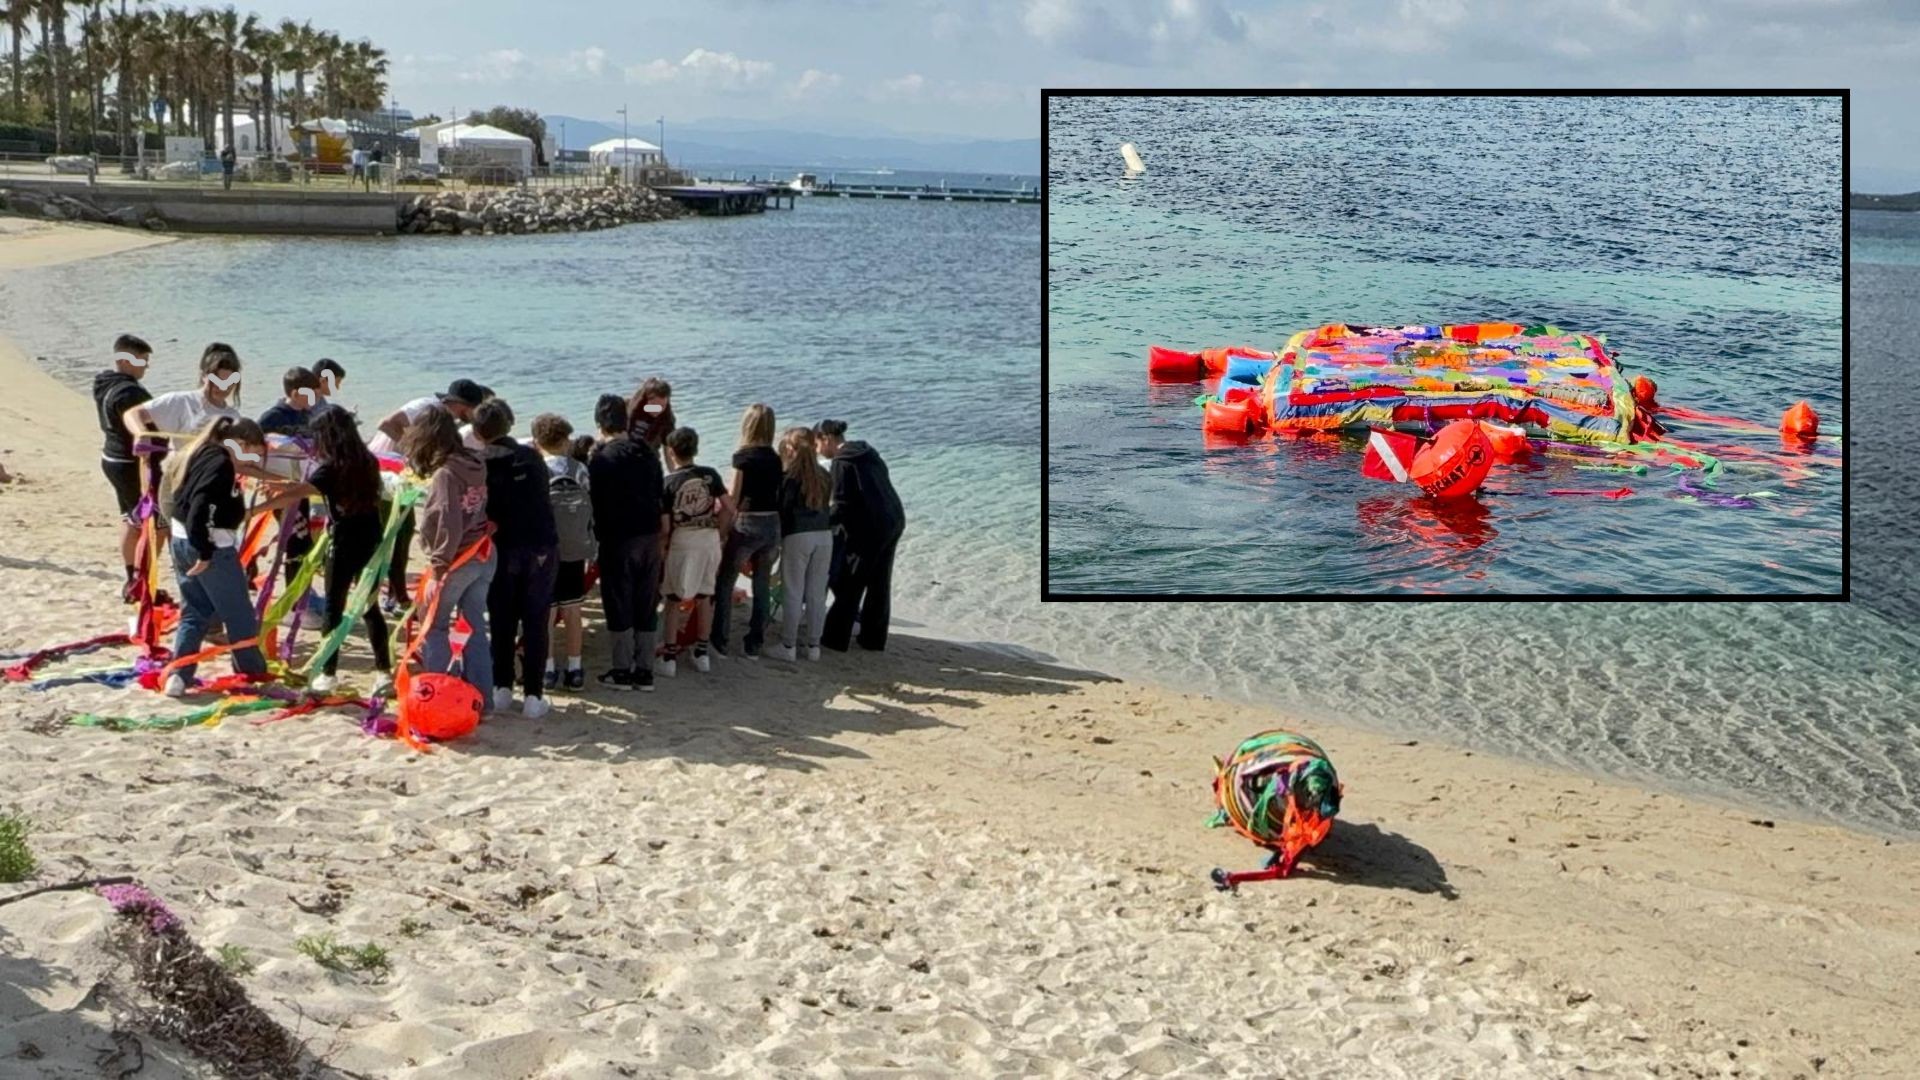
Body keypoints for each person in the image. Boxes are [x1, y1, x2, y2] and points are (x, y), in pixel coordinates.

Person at [252, 407, 393, 696]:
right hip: (371, 539)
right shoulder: (366, 461)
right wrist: (281, 485)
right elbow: (312, 487)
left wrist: (256, 509)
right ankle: (384, 672)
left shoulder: (331, 466)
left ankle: (328, 674)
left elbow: (301, 492)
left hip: (343, 542)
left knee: (334, 606)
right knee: (370, 607)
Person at [161, 416, 270, 696]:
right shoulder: (220, 463)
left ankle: (179, 674)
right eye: (250, 454)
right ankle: (251, 670)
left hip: (181, 539)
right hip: (210, 548)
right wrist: (205, 551)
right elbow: (199, 506)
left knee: (194, 611)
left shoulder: (201, 450)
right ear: (239, 443)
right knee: (239, 613)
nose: (250, 462)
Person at [402, 406, 495, 699]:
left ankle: (439, 695)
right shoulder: (475, 461)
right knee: (475, 626)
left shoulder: (445, 474)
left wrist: (439, 569)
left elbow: (449, 520)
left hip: (458, 559)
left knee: (434, 626)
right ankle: (482, 697)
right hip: (483, 554)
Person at [369, 379, 487, 611]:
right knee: (395, 533)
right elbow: (386, 423)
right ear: (463, 405)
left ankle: (396, 593)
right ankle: (392, 596)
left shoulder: (447, 419)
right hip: (384, 474)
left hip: (401, 480)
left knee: (402, 531)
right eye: (474, 410)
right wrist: (412, 452)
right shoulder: (426, 406)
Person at [475, 400, 558, 718]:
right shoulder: (533, 457)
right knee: (536, 621)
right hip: (539, 545)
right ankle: (535, 694)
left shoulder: (482, 462)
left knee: (501, 617)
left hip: (502, 546)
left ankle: (503, 686)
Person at [588, 401, 665, 690]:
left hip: (617, 537)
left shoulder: (602, 459)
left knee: (618, 600)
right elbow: (659, 492)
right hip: (650, 535)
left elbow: (595, 500)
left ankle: (621, 669)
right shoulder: (647, 453)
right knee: (646, 601)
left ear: (600, 425)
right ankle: (645, 670)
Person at [818, 419, 905, 652]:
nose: (818, 450)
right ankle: (873, 638)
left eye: (818, 443)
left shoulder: (841, 463)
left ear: (826, 438)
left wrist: (819, 522)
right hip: (893, 518)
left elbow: (842, 504)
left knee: (851, 581)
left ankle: (835, 638)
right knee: (879, 580)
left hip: (871, 527)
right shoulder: (868, 453)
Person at [256, 366, 327, 626]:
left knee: (308, 541)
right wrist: (265, 479)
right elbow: (252, 450)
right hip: (283, 490)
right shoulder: (273, 417)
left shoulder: (308, 414)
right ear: (296, 392)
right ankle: (294, 606)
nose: (315, 399)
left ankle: (302, 593)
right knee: (297, 541)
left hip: (305, 487)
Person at [711, 403, 782, 659]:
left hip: (748, 522)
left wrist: (723, 528)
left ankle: (719, 640)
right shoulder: (776, 459)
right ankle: (755, 642)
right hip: (772, 523)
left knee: (726, 581)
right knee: (762, 584)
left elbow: (735, 496)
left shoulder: (743, 457)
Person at [658, 427, 730, 675]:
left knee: (673, 598)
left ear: (671, 452)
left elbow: (666, 525)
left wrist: (664, 546)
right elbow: (730, 508)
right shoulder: (710, 475)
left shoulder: (668, 483)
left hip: (683, 539)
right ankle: (701, 652)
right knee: (704, 596)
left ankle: (668, 656)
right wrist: (719, 533)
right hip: (708, 537)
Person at [533, 413, 592, 691]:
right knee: (572, 609)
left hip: (546, 547)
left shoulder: (538, 469)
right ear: (565, 439)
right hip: (575, 546)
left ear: (538, 442)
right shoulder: (580, 468)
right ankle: (575, 667)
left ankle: (547, 669)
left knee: (547, 611)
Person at [93, 333, 155, 598]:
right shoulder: (131, 392)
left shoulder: (103, 382)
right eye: (142, 360)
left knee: (130, 518)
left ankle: (134, 579)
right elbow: (150, 428)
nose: (145, 366)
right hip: (129, 462)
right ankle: (137, 581)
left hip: (111, 457)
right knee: (144, 522)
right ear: (125, 360)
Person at [766, 427, 832, 662]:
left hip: (797, 535)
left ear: (791, 450)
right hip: (824, 536)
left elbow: (783, 511)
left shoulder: (790, 479)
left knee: (793, 591)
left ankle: (788, 644)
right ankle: (814, 645)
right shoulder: (824, 475)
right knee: (816, 593)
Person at [123, 343, 245, 452]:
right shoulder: (181, 401)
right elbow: (132, 414)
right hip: (183, 473)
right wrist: (141, 434)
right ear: (204, 376)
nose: (222, 387)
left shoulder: (233, 417)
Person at [258, 366, 322, 436]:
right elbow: (252, 439)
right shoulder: (273, 417)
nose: (316, 399)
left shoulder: (309, 415)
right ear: (295, 394)